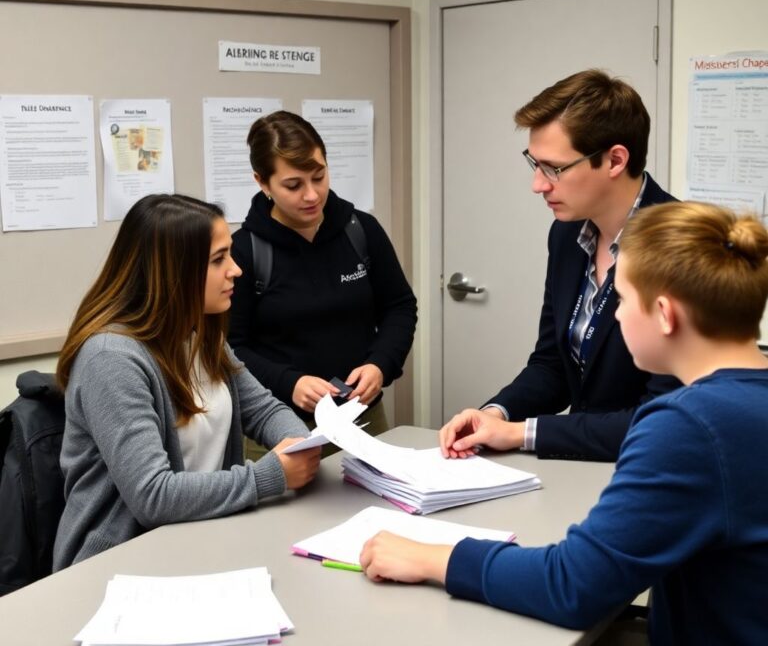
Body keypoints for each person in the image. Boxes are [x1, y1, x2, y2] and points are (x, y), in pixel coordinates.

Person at [361, 201, 768, 645]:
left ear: (665, 315)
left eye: (623, 300)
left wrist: (432, 559)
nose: (615, 314)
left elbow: (573, 585)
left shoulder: (687, 427)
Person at [53, 194, 320, 570]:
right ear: (174, 272)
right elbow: (153, 496)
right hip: (119, 564)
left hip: (202, 540)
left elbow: (262, 409)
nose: (236, 270)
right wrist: (271, 475)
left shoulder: (198, 333)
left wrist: (298, 445)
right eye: (218, 260)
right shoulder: (111, 359)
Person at [441, 69, 677, 462]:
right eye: (534, 164)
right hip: (581, 465)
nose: (539, 184)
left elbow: (664, 418)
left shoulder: (682, 249)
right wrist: (494, 414)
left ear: (615, 160)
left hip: (654, 469)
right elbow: (553, 364)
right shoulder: (567, 236)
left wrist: (521, 433)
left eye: (554, 168)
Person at [228, 110, 417, 443]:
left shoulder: (360, 230)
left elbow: (399, 306)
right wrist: (289, 382)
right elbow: (229, 347)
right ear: (262, 182)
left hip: (362, 416)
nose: (312, 195)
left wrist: (380, 364)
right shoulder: (244, 251)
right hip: (278, 424)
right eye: (293, 185)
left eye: (319, 176)